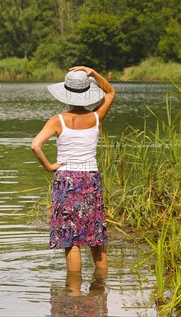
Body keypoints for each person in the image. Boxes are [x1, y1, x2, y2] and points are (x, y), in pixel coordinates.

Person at [31, 66, 115, 272]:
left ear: (66, 94)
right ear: (87, 94)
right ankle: (101, 287)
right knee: (96, 237)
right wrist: (93, 72)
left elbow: (35, 145)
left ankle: (73, 292)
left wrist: (50, 166)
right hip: (91, 178)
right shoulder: (97, 117)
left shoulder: (57, 120)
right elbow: (110, 92)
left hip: (66, 179)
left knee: (71, 239)